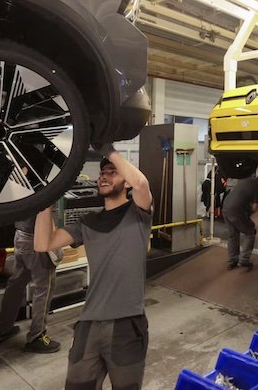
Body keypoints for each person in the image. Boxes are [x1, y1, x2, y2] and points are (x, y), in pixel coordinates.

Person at [34, 145, 153, 390]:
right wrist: (45, 200)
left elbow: (141, 185)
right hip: (89, 323)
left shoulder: (138, 214)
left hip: (127, 324)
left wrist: (105, 149)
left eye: (112, 172)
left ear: (126, 183)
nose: (104, 175)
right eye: (102, 173)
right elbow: (43, 243)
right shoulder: (88, 221)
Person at [0, 210, 62, 353]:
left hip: (21, 235)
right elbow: (45, 209)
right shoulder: (44, 188)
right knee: (44, 288)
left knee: (16, 284)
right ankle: (37, 337)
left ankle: (3, 329)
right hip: (37, 238)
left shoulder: (24, 186)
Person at [223, 169, 258, 271]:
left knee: (233, 234)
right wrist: (247, 214)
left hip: (225, 207)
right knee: (250, 231)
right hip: (237, 211)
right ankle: (244, 260)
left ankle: (232, 260)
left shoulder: (245, 179)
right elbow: (255, 208)